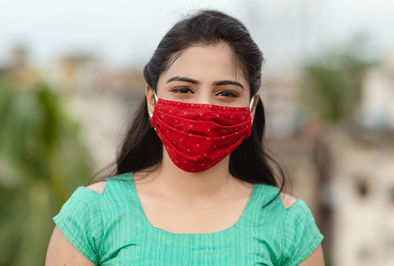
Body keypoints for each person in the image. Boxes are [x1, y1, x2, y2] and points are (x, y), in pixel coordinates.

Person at [45, 9, 324, 265]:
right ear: (152, 101)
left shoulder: (289, 223)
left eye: (226, 93)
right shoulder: (91, 214)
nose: (203, 107)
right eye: (183, 90)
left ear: (251, 108)